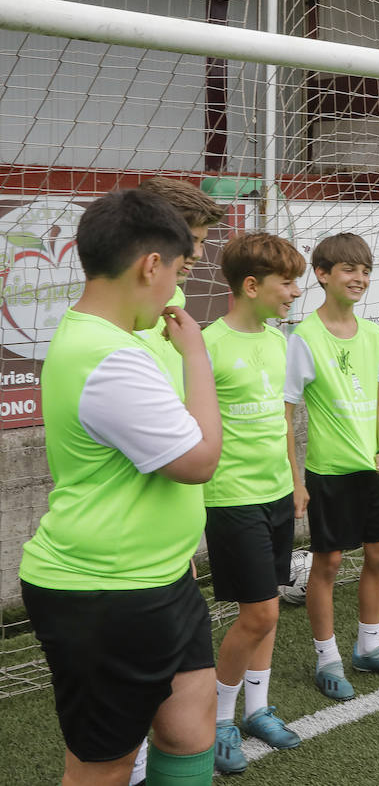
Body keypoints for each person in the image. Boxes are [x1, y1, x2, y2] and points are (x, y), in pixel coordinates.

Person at [19, 190, 223, 786]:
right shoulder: (108, 356)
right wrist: (197, 357)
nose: (176, 291)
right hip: (105, 592)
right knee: (102, 768)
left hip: (158, 576)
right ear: (150, 266)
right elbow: (200, 460)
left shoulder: (116, 339)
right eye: (179, 269)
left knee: (190, 725)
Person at [284, 233, 379, 702]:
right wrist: (296, 479)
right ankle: (328, 659)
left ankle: (369, 647)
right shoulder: (304, 336)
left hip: (371, 470)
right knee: (329, 563)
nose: (359, 278)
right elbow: (288, 412)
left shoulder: (374, 333)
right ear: (322, 275)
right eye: (348, 269)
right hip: (328, 473)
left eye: (365, 270)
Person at [200, 232, 307, 773]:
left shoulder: (276, 341)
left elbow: (282, 418)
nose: (294, 291)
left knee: (268, 611)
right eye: (285, 282)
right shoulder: (205, 345)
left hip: (277, 494)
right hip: (231, 498)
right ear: (251, 285)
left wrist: (295, 479)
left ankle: (257, 709)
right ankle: (218, 719)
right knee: (259, 612)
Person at [134, 177, 226, 396]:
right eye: (189, 239)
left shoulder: (174, 297)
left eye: (202, 242)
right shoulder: (122, 322)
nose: (198, 254)